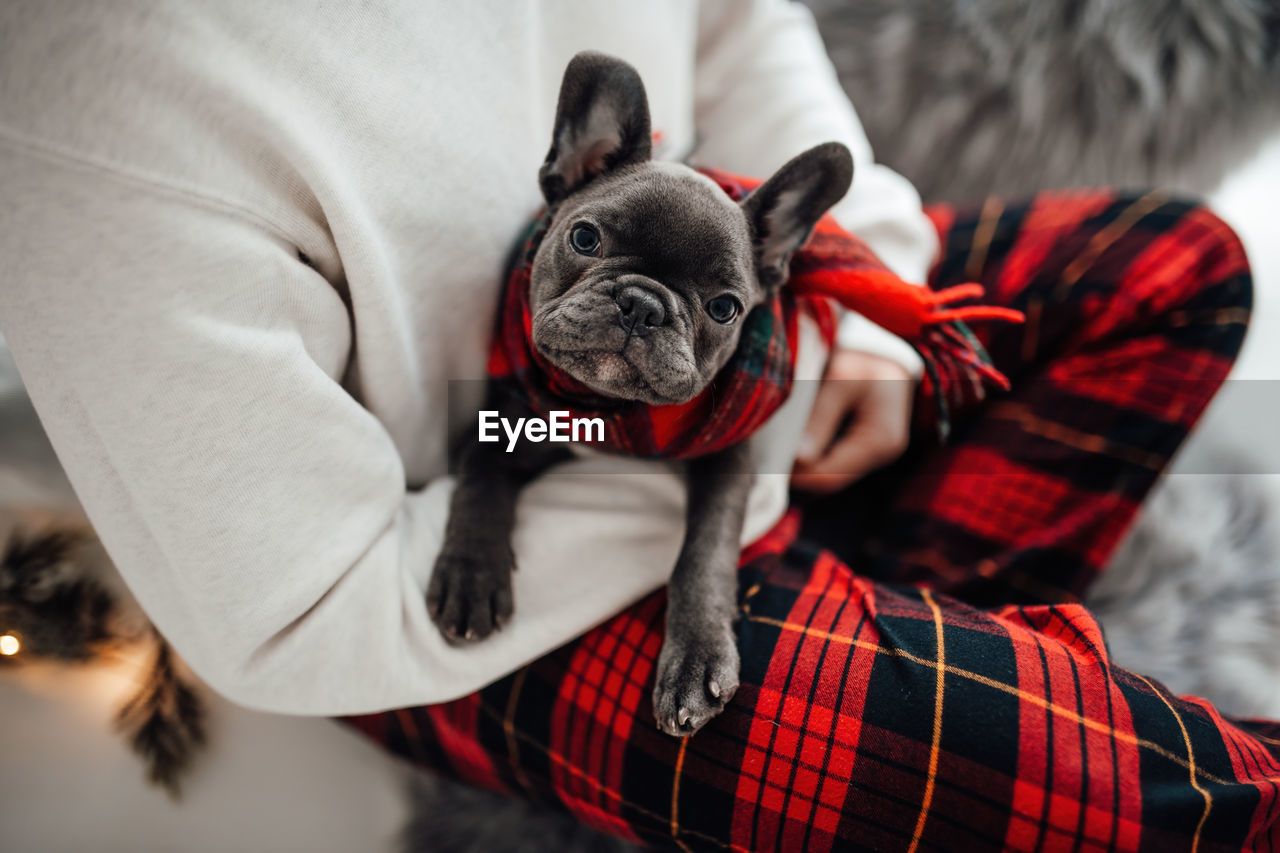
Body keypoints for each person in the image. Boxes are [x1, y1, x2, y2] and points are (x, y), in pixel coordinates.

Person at [2, 1, 1276, 849]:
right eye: (596, 247)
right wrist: (719, 507)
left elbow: (730, 17)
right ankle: (903, 664)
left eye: (706, 295)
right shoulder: (90, 103)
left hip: (737, 415)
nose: (631, 311)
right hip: (453, 591)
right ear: (569, 168)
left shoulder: (771, 272)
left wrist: (871, 300)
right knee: (1066, 772)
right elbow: (297, 607)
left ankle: (885, 628)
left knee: (1179, 262)